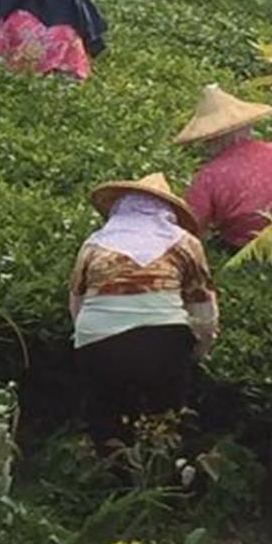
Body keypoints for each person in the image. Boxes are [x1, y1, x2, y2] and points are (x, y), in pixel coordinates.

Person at [70, 173, 218, 451]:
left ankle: (109, 470)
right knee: (164, 417)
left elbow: (77, 302)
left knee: (105, 415)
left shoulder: (94, 243)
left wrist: (89, 339)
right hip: (163, 341)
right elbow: (202, 305)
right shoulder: (185, 243)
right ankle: (158, 470)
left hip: (98, 342)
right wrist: (200, 347)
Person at [177, 84, 272, 249]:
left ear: (210, 140)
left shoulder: (209, 176)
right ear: (247, 127)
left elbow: (191, 224)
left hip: (242, 250)